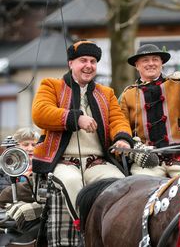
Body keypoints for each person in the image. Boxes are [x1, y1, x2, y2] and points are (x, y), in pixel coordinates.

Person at [31, 40, 134, 223]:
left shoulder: (106, 92)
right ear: (71, 63)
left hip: (97, 162)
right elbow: (40, 113)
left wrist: (122, 139)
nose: (88, 66)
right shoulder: (51, 85)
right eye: (83, 60)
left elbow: (118, 120)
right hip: (63, 162)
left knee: (119, 183)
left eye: (93, 61)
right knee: (71, 182)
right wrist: (75, 118)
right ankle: (85, 227)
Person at [119, 20, 180, 178]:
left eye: (155, 59)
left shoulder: (178, 84)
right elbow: (120, 125)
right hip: (148, 161)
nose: (151, 63)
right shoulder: (128, 94)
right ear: (137, 65)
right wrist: (133, 147)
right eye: (145, 60)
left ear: (161, 63)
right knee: (138, 187)